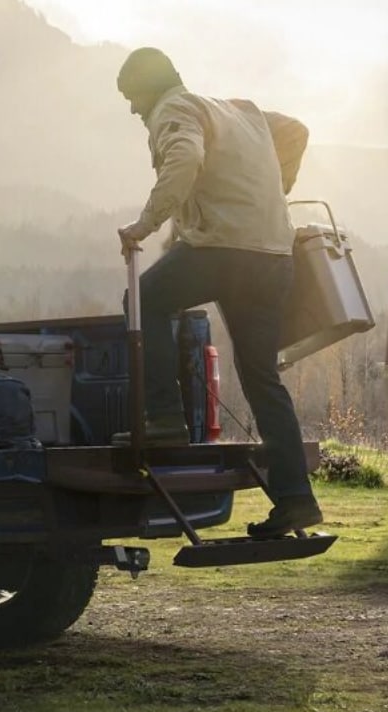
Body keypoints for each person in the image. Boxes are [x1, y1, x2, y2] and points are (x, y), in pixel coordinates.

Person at [113, 47, 322, 538]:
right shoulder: (242, 112)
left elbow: (184, 157)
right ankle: (296, 499)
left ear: (149, 87)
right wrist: (275, 190)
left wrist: (145, 224)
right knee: (261, 379)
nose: (132, 110)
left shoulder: (175, 109)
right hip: (274, 256)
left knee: (144, 300)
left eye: (131, 98)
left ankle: (163, 417)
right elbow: (295, 130)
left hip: (225, 252)